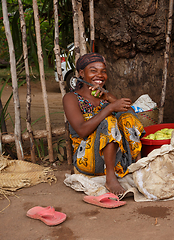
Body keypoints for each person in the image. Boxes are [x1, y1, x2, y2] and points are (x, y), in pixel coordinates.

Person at [63, 53, 144, 195]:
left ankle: (138, 166)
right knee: (108, 120)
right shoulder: (71, 98)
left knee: (126, 116)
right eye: (93, 70)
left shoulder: (104, 96)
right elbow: (82, 131)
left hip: (119, 159)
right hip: (88, 159)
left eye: (103, 71)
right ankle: (110, 178)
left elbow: (131, 114)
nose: (99, 75)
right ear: (81, 73)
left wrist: (108, 97)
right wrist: (110, 108)